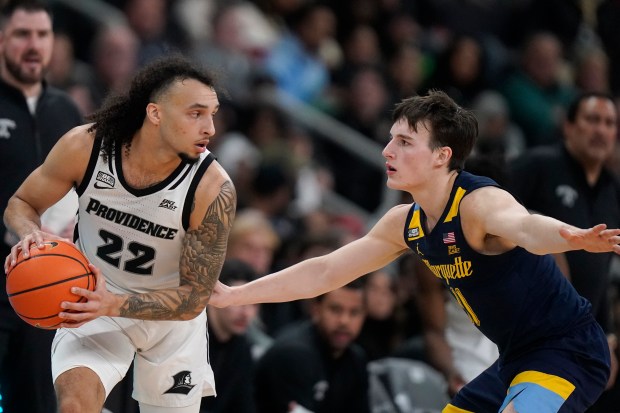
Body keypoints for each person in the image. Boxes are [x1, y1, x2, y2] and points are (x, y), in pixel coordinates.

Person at [210, 90, 620, 412]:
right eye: (391, 139)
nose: (388, 151)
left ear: (443, 156)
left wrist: (572, 235)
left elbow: (526, 228)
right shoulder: (404, 223)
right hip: (516, 358)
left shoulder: (478, 203)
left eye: (405, 142)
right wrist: (235, 294)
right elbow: (325, 272)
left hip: (570, 349)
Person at [3, 54, 236, 413]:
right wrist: (30, 232)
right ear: (155, 113)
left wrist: (114, 303)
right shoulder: (86, 146)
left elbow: (193, 299)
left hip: (170, 323)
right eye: (196, 113)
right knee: (74, 407)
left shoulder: (212, 188)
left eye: (213, 114)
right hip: (93, 300)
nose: (210, 128)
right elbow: (21, 202)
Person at [507, 91, 620, 411]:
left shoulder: (614, 190)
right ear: (569, 126)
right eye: (592, 120)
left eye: (609, 123)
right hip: (526, 321)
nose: (601, 130)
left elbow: (601, 276)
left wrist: (607, 337)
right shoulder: (536, 166)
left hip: (578, 329)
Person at [0, 1, 83, 412]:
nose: (33, 45)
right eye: (22, 35)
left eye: (42, 35)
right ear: (2, 39)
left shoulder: (66, 111)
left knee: (34, 402)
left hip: (43, 284)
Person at [254, 279, 369, 413]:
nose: (344, 321)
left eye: (354, 312)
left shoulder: (356, 359)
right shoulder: (293, 354)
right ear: (316, 309)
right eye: (335, 310)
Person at [201, 259, 259, 413]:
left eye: (254, 304)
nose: (246, 313)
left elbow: (244, 404)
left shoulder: (242, 347)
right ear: (214, 295)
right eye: (238, 302)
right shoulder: (188, 338)